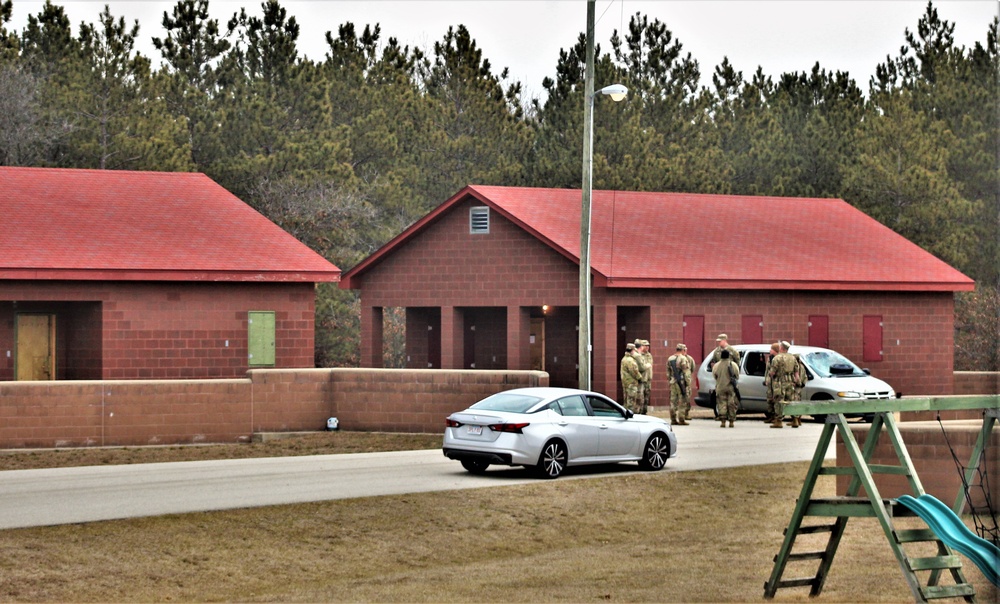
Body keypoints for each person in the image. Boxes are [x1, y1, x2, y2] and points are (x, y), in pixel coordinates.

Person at [767, 340, 801, 428]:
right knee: (790, 401)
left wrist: (770, 376)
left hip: (780, 382)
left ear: (781, 348)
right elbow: (796, 372)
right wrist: (796, 381)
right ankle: (795, 419)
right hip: (790, 382)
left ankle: (778, 421)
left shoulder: (777, 358)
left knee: (779, 401)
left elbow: (772, 372)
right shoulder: (792, 358)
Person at [712, 348, 740, 428]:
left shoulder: (716, 365)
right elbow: (737, 376)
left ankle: (723, 421)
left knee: (722, 404)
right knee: (731, 403)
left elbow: (714, 376)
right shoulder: (733, 364)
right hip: (731, 387)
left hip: (720, 387)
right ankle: (731, 421)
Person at [667, 343, 692, 425]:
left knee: (673, 401)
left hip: (673, 382)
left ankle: (673, 419)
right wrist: (688, 383)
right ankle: (681, 419)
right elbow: (686, 372)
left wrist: (670, 381)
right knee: (683, 400)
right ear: (683, 350)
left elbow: (668, 373)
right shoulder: (683, 358)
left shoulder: (670, 358)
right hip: (681, 383)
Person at [619, 343, 642, 413]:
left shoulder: (624, 359)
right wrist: (640, 377)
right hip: (631, 384)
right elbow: (634, 372)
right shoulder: (630, 360)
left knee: (626, 401)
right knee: (631, 402)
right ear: (632, 350)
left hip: (626, 383)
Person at [634, 339, 653, 414]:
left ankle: (644, 412)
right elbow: (642, 367)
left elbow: (650, 365)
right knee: (640, 397)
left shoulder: (649, 355)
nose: (647, 347)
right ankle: (639, 412)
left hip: (648, 379)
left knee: (646, 397)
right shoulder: (638, 355)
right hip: (641, 379)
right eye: (645, 346)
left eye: (648, 346)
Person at [763, 342, 780, 422]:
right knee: (769, 399)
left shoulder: (778, 358)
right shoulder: (770, 359)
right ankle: (771, 416)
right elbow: (767, 370)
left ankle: (776, 417)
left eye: (772, 349)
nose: (770, 350)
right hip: (770, 382)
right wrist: (766, 379)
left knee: (776, 399)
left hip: (777, 382)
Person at [681, 344, 697, 421]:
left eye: (685, 350)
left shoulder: (689, 359)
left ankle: (686, 413)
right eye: (683, 350)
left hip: (687, 381)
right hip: (679, 381)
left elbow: (693, 368)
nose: (684, 351)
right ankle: (680, 414)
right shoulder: (677, 358)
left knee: (687, 397)